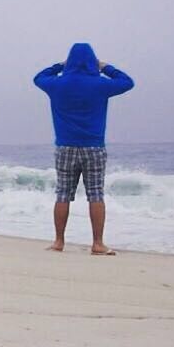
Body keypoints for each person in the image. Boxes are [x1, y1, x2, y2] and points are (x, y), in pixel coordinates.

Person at [33, 43, 134, 255]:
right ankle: (97, 243)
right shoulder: (100, 84)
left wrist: (59, 66)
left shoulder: (57, 84)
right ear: (92, 61)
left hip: (65, 147)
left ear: (69, 61)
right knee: (96, 194)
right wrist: (105, 67)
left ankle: (59, 242)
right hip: (94, 147)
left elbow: (38, 77)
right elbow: (127, 82)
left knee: (62, 194)